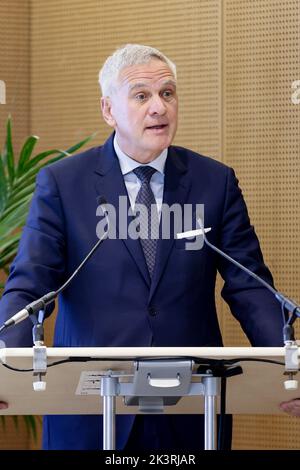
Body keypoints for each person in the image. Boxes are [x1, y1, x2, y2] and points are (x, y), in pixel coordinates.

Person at [0, 44, 284, 450]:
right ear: (108, 110)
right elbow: (30, 289)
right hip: (91, 413)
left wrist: (287, 373)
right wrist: (6, 371)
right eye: (141, 95)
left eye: (167, 93)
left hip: (191, 409)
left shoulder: (214, 183)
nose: (159, 107)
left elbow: (250, 285)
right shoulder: (64, 185)